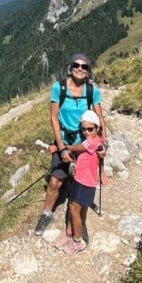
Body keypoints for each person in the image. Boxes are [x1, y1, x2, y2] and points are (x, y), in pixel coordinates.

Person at [34, 53, 107, 236]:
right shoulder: (59, 88)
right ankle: (46, 214)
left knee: (81, 180)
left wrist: (103, 144)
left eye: (84, 66)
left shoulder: (92, 91)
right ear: (70, 66)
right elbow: (53, 117)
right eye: (76, 65)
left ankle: (77, 222)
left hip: (84, 142)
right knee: (55, 181)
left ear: (88, 71)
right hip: (64, 140)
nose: (80, 69)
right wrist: (61, 146)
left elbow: (100, 119)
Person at [54, 109, 105, 254]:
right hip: (78, 179)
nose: (87, 132)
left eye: (90, 129)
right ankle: (69, 233)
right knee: (71, 205)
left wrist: (61, 148)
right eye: (83, 129)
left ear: (97, 128)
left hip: (86, 183)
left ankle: (78, 241)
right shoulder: (88, 140)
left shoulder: (93, 142)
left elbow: (78, 148)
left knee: (75, 209)